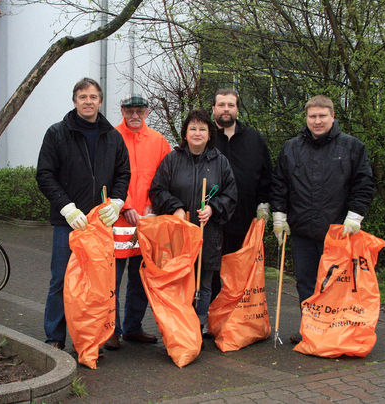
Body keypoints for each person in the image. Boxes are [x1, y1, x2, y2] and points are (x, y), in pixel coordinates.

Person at [36, 77, 131, 350]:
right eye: (82, 97)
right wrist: (66, 208)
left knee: (99, 282)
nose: (88, 102)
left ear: (100, 101)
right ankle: (54, 338)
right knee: (60, 280)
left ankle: (96, 335)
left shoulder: (112, 136)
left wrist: (117, 202)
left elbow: (124, 173)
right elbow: (45, 175)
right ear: (74, 101)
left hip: (100, 224)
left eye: (93, 97)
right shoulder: (57, 133)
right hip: (69, 223)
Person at [271, 95, 374, 344]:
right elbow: (279, 184)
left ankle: (333, 332)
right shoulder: (291, 148)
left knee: (336, 286)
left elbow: (364, 184)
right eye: (312, 116)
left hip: (338, 233)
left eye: (322, 116)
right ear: (306, 118)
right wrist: (279, 216)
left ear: (332, 116)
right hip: (303, 231)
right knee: (306, 283)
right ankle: (310, 329)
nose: (317, 121)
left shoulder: (352, 147)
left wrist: (354, 216)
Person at [149, 109, 237, 343]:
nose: (197, 133)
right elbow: (157, 190)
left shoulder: (221, 162)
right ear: (185, 133)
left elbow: (231, 195)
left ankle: (197, 326)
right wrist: (175, 207)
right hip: (178, 235)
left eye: (202, 129)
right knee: (179, 283)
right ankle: (178, 328)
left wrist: (213, 208)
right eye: (192, 129)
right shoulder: (172, 160)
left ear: (210, 134)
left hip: (208, 234)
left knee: (204, 283)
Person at [104, 94, 172, 350]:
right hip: (118, 218)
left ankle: (133, 327)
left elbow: (166, 175)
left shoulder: (158, 141)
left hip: (148, 220)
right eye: (129, 111)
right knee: (113, 279)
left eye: (139, 111)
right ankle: (112, 330)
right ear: (122, 111)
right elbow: (108, 176)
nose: (134, 116)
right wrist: (127, 204)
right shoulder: (111, 137)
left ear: (146, 113)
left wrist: (155, 203)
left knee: (140, 277)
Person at [211, 88, 272, 305]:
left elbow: (266, 175)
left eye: (230, 105)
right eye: (221, 105)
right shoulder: (205, 137)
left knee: (240, 273)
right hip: (211, 220)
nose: (226, 109)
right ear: (213, 109)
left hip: (244, 219)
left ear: (237, 109)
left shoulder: (254, 139)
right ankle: (210, 317)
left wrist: (264, 204)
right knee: (211, 273)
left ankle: (236, 319)